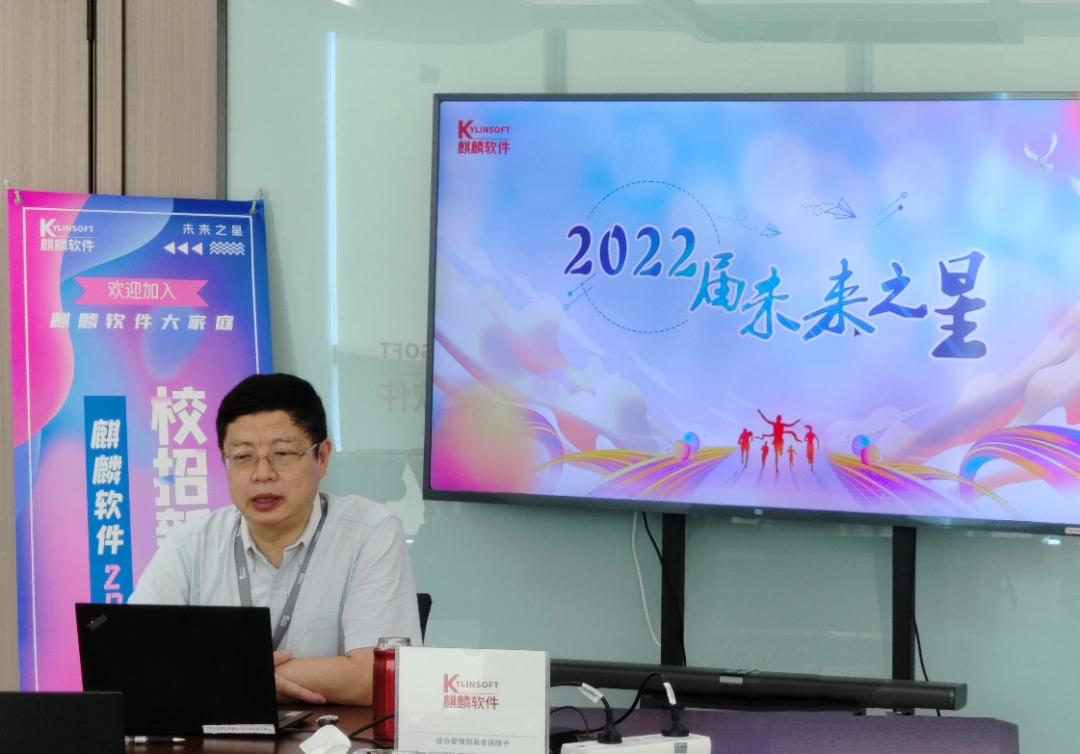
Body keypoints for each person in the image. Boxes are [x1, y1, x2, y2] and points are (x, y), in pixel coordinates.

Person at [130, 373, 422, 706]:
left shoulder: (369, 532)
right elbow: (134, 663)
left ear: (322, 457)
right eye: (243, 457)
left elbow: (379, 677)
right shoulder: (189, 546)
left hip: (334, 733)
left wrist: (233, 676)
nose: (262, 474)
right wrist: (252, 677)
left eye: (282, 453)